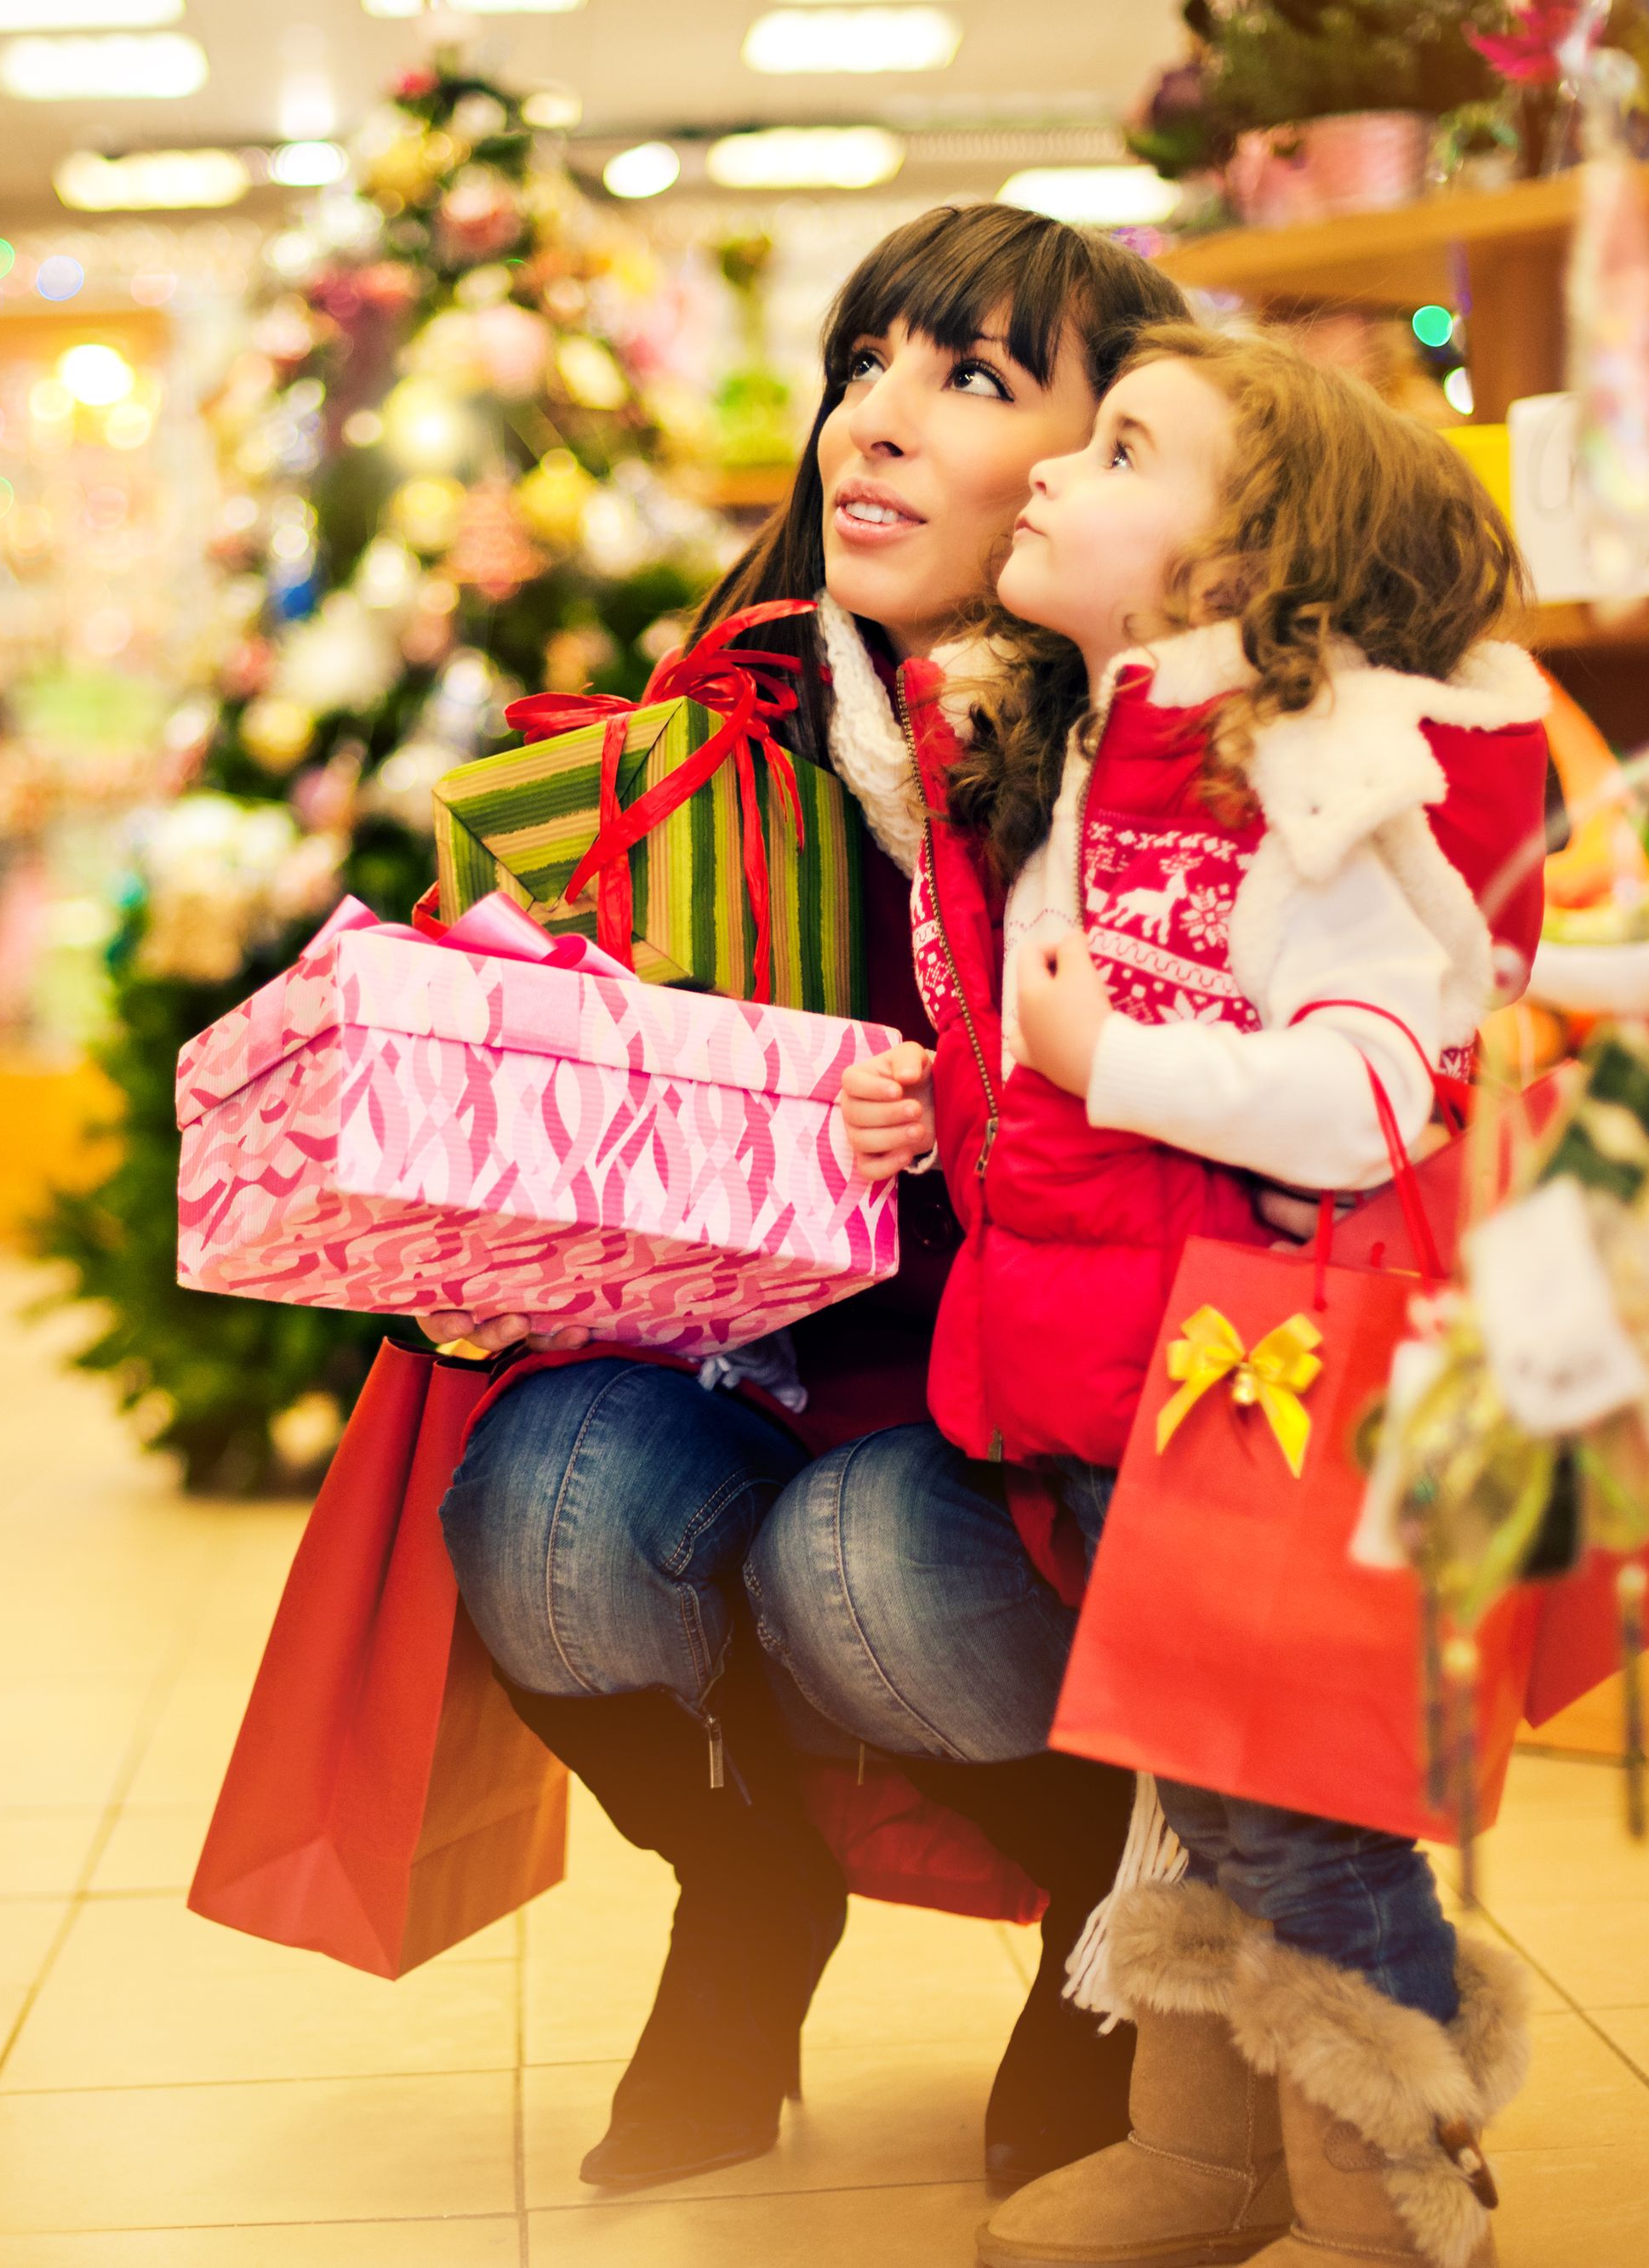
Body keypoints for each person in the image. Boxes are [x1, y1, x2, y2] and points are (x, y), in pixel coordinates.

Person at [427, 205, 1191, 2197]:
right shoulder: (722, 737)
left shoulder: (1151, 765)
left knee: (858, 1559)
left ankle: (1110, 1927)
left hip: (1020, 1419)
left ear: (1125, 460)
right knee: (541, 1501)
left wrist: (966, 1111)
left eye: (968, 378)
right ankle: (744, 1890)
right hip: (737, 1359)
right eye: (865, 362)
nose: (872, 420)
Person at [807, 325, 1552, 2268]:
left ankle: (1392, 2198)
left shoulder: (1315, 785)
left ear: (1246, 566)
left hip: (1264, 1383)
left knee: (1304, 1818)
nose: (1050, 468)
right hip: (1123, 1383)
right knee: (1204, 1801)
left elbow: (1381, 1078)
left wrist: (1105, 1064)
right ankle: (1211, 2152)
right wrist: (948, 1091)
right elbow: (1063, 1051)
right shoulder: (1090, 748)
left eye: (1120, 446)